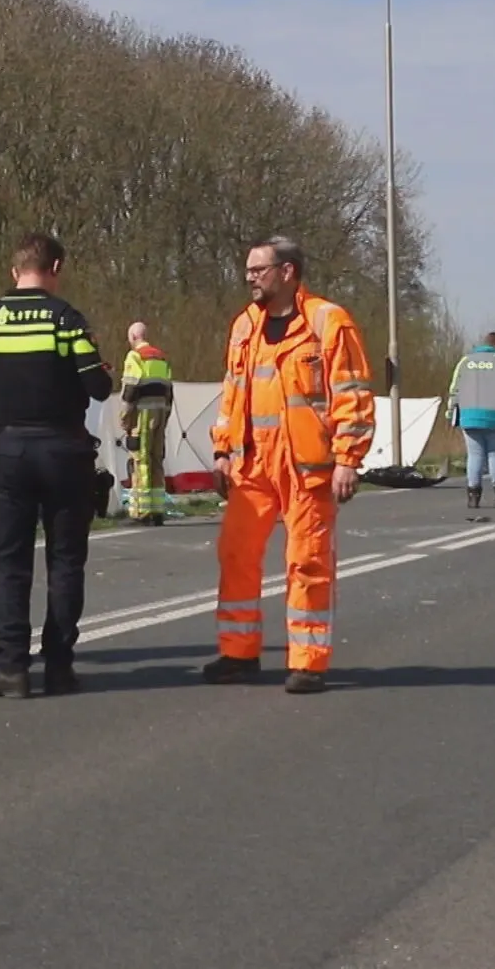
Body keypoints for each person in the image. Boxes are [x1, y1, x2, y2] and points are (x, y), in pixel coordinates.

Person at [205, 236, 374, 695]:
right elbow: (232, 392)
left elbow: (353, 392)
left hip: (307, 465)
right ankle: (237, 653)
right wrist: (222, 450)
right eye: (248, 270)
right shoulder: (245, 326)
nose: (250, 278)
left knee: (307, 561)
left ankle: (308, 662)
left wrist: (348, 459)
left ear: (288, 271)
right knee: (236, 555)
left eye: (259, 270)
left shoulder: (327, 321)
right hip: (251, 463)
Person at [0, 233, 112, 698]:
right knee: (65, 559)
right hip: (63, 449)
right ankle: (59, 665)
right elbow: (98, 388)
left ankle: (11, 668)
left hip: (8, 447)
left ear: (15, 271)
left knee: (7, 561)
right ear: (56, 268)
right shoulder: (66, 319)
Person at [447, 332, 495, 509]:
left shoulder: (464, 362)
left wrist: (450, 412)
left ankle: (473, 497)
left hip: (469, 416)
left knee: (474, 456)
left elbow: (454, 390)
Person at [118, 321, 174, 525]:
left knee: (140, 461)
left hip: (142, 415)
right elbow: (169, 391)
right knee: (157, 459)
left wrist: (125, 420)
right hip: (161, 414)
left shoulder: (135, 357)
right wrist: (165, 418)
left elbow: (130, 390)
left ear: (133, 337)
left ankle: (142, 512)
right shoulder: (161, 357)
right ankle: (158, 510)